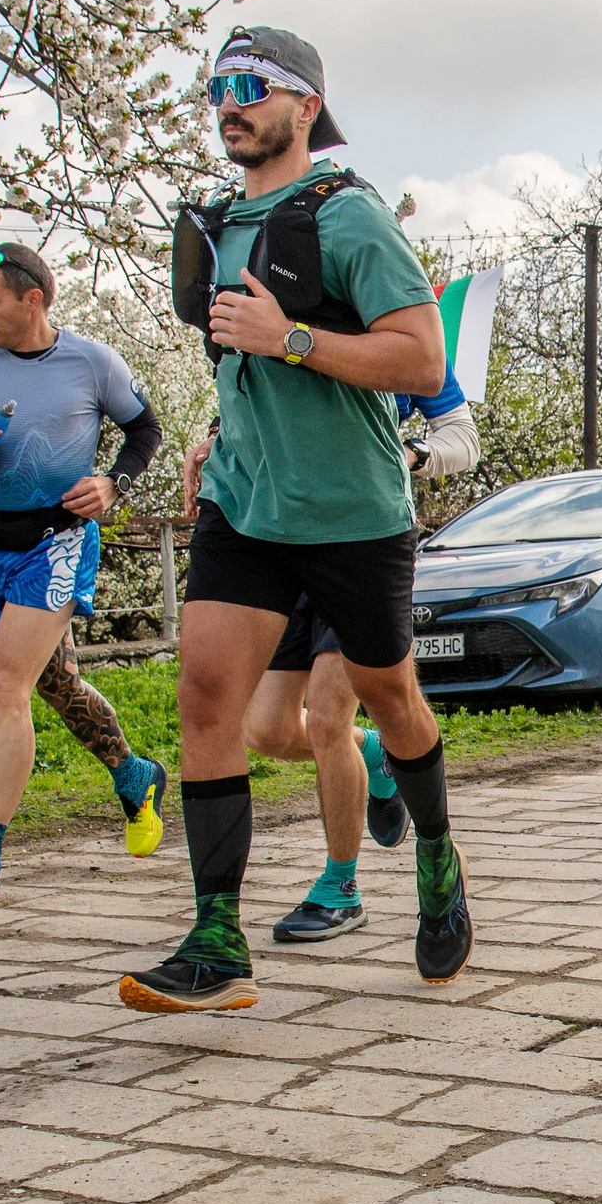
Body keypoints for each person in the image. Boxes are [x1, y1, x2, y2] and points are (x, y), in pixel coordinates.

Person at [116, 24, 455, 1012]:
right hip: (246, 507)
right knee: (207, 705)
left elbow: (420, 363)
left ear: (305, 106)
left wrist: (293, 336)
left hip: (351, 510)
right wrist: (217, 435)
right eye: (219, 85)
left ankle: (437, 859)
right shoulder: (216, 221)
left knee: (390, 702)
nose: (231, 101)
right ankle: (217, 941)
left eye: (253, 85)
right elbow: (244, 364)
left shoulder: (350, 219)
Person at [0, 245, 170, 894]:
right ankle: (134, 775)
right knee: (55, 684)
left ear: (34, 299)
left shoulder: (90, 361)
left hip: (56, 544)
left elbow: (146, 430)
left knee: (6, 685)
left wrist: (114, 483)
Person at [217, 351, 484, 943]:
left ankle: (341, 887)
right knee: (264, 728)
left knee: (329, 718)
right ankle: (374, 758)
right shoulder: (258, 323)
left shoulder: (392, 334)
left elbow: (464, 439)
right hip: (277, 538)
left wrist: (413, 453)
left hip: (361, 536)